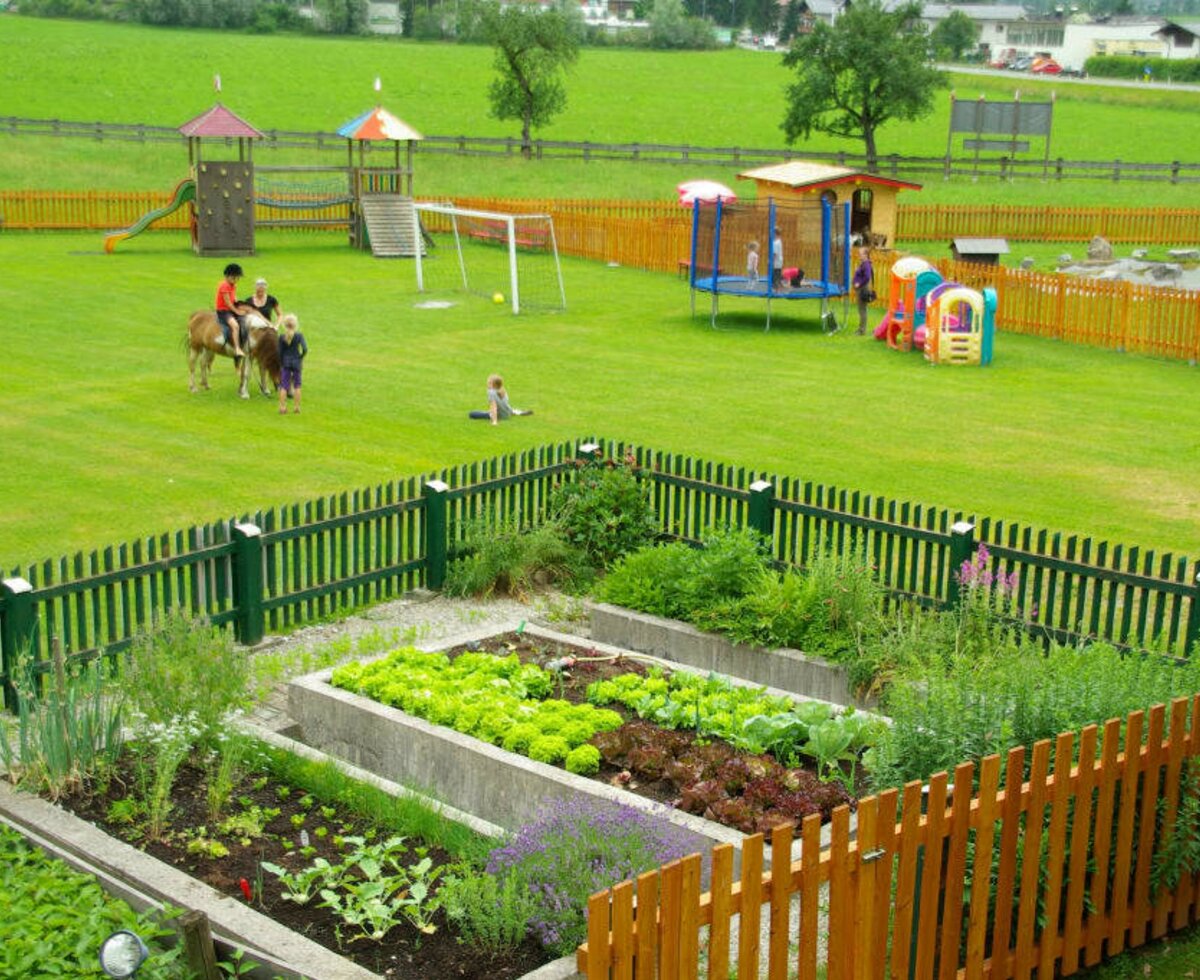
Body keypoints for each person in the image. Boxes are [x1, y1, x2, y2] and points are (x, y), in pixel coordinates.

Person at [215, 262, 247, 360]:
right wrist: (237, 311)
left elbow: (234, 298)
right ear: (229, 276)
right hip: (223, 312)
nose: (237, 280)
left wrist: (240, 305)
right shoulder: (224, 286)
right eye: (236, 277)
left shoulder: (233, 285)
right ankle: (237, 348)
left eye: (238, 278)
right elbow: (228, 303)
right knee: (235, 326)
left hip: (230, 309)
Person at [277, 313, 307, 415]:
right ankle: (297, 407)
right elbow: (305, 349)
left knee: (284, 386)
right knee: (297, 385)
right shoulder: (299, 336)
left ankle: (282, 407)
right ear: (295, 324)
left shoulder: (282, 337)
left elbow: (279, 352)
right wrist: (300, 357)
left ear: (285, 325)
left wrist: (281, 362)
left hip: (285, 363)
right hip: (296, 363)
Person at [852, 246, 875, 335]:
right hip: (861, 289)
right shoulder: (863, 263)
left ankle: (862, 330)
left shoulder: (866, 264)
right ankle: (861, 329)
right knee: (861, 309)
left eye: (860, 254)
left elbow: (867, 277)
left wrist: (859, 283)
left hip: (862, 289)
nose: (859, 255)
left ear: (865, 255)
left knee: (862, 310)